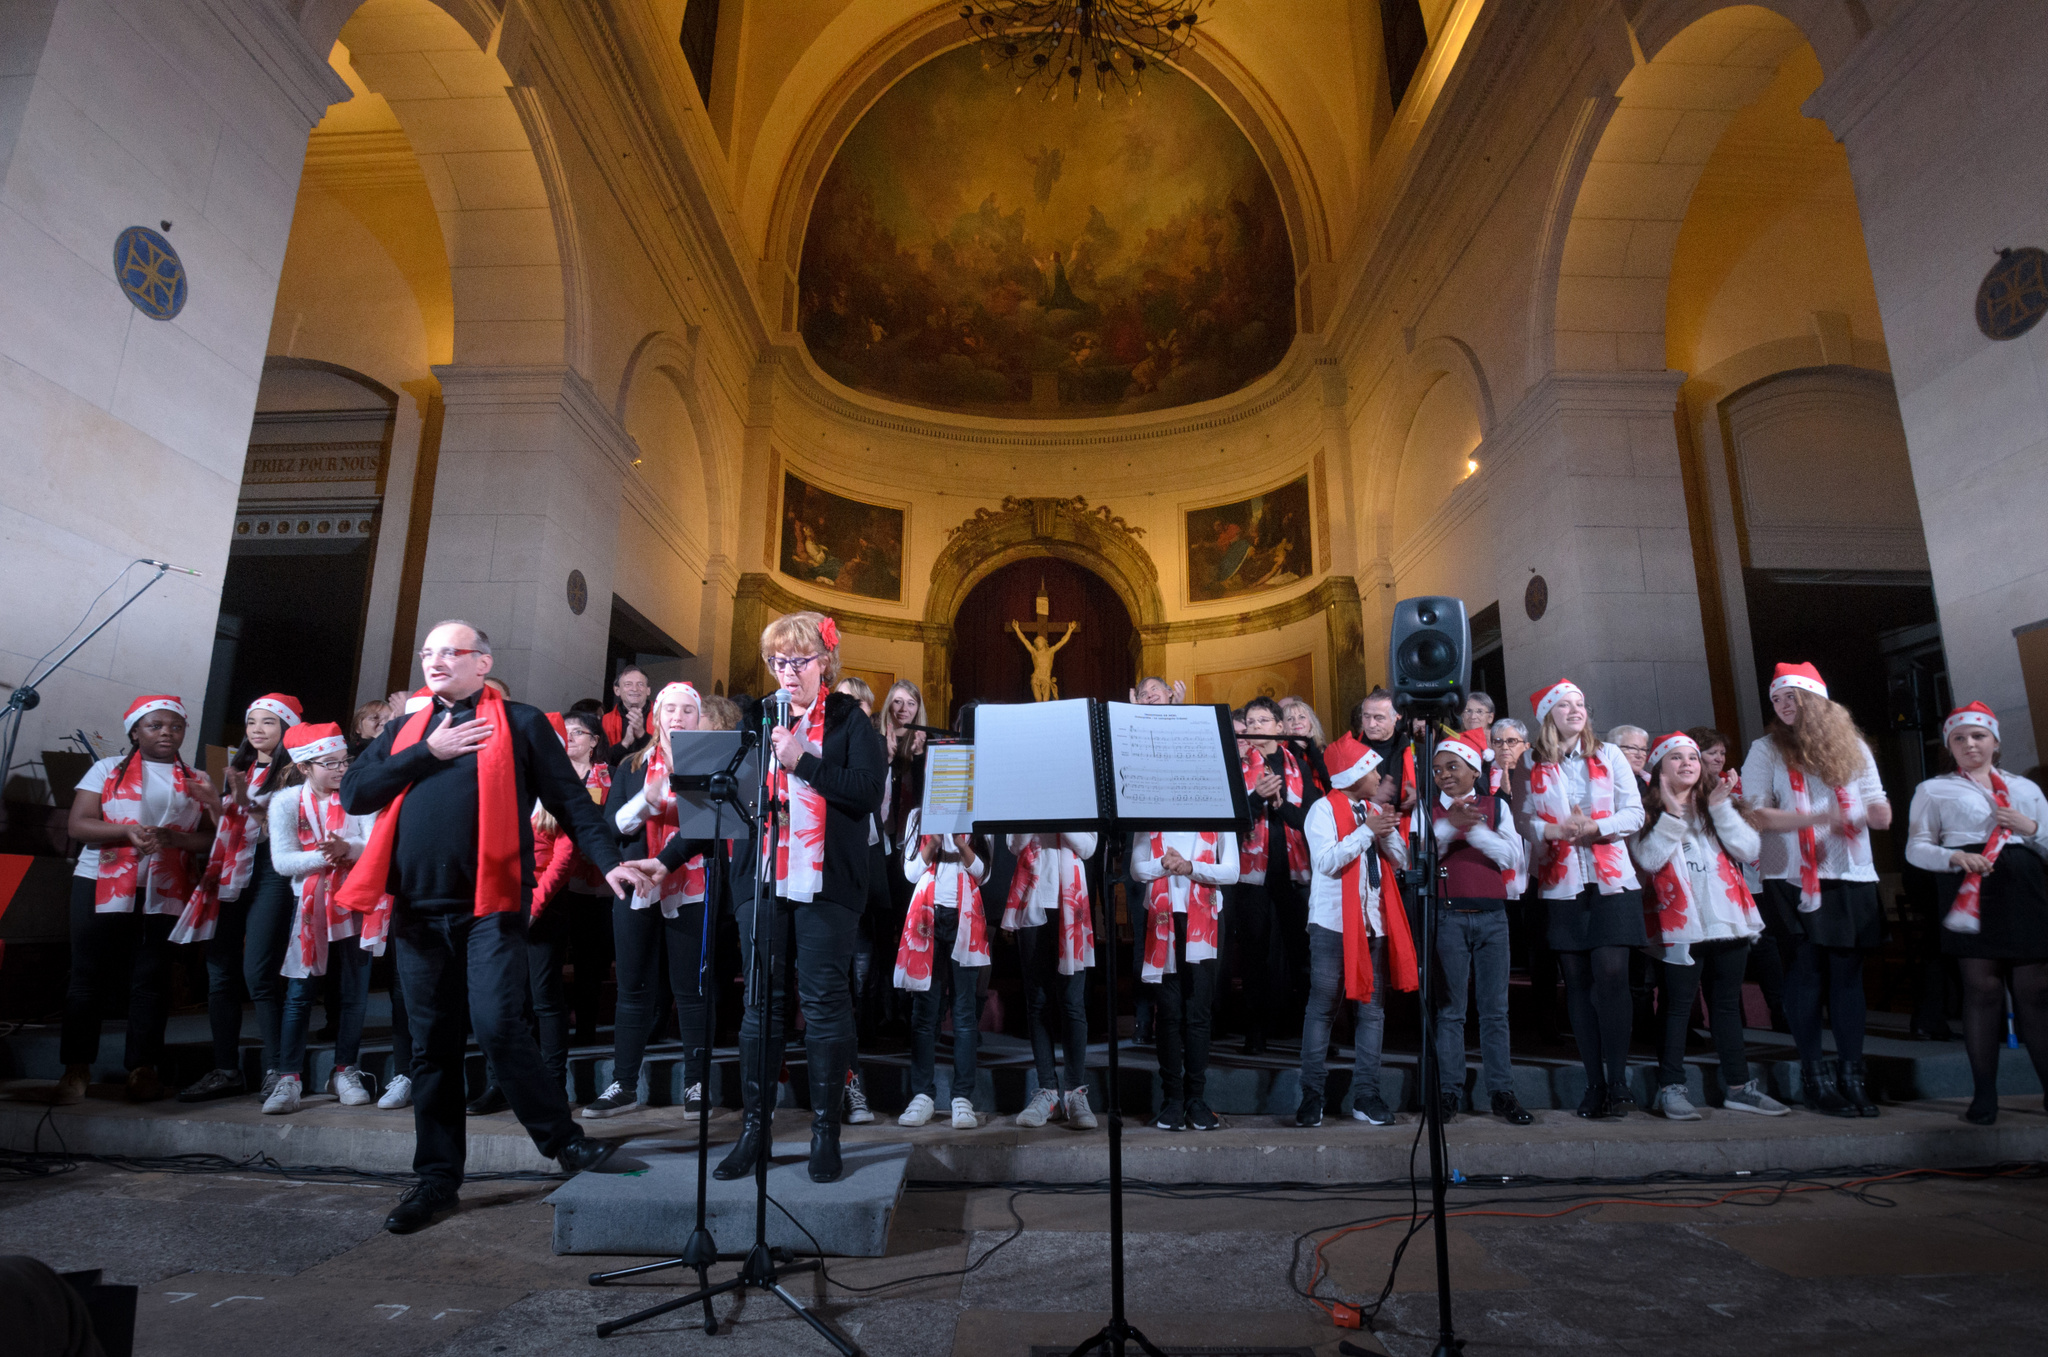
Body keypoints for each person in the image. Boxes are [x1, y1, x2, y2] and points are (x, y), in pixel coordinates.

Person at [339, 621, 650, 1234]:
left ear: (483, 663)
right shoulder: (408, 726)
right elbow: (355, 793)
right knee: (430, 1046)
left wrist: (610, 862)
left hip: (491, 905)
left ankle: (563, 1143)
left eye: (448, 653)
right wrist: (429, 752)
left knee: (499, 1023)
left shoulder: (523, 723)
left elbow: (572, 803)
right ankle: (437, 1177)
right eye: (426, 652)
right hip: (419, 911)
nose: (433, 661)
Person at [712, 611, 884, 1185]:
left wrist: (802, 762)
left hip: (826, 883)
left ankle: (824, 1132)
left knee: (826, 1003)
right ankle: (754, 1131)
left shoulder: (850, 721)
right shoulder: (758, 718)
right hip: (762, 879)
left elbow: (865, 794)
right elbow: (721, 794)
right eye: (778, 662)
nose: (788, 673)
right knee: (760, 1004)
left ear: (824, 663)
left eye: (799, 661)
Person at [1740, 662, 1891, 1118]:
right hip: (1790, 874)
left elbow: (1875, 801)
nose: (1784, 706)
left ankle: (1851, 1074)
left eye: (1792, 697)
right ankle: (1814, 1076)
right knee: (1807, 974)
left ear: (1817, 701)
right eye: (1777, 700)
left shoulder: (1854, 748)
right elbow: (1756, 815)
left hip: (1849, 873)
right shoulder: (1765, 750)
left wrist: (1879, 813)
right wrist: (1821, 819)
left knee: (1846, 976)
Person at [53, 695, 218, 1105]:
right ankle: (76, 1066)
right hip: (100, 879)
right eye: (155, 725)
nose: (166, 732)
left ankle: (143, 1068)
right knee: (85, 976)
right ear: (135, 731)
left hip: (163, 885)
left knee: (151, 979)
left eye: (175, 726)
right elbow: (78, 825)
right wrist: (124, 833)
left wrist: (175, 839)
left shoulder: (196, 778)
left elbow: (210, 839)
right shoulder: (106, 769)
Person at [1630, 731, 1788, 1120]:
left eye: (1693, 758)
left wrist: (1720, 810)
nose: (1687, 763)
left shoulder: (1716, 805)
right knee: (1677, 1008)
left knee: (1726, 1007)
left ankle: (1738, 1087)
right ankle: (1671, 1088)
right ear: (1659, 768)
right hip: (1679, 924)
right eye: (1676, 758)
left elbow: (1750, 850)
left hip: (1727, 919)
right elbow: (1648, 860)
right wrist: (1671, 815)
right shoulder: (1643, 809)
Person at [1905, 702, 2048, 1124]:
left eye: (1979, 736)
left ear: (1996, 743)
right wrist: (1954, 858)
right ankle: (1984, 1093)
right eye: (1960, 738)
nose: (1970, 744)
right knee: (1982, 992)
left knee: (2036, 995)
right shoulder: (1934, 790)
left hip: (2024, 890)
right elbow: (1916, 847)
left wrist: (2033, 829)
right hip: (1970, 889)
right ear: (1950, 746)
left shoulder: (2026, 790)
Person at [1518, 679, 1646, 1118]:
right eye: (1566, 705)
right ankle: (1593, 1082)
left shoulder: (1609, 755)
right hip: (1562, 882)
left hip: (1611, 880)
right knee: (1576, 982)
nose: (1577, 710)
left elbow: (1635, 811)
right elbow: (1524, 820)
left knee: (1611, 974)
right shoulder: (1531, 762)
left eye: (1581, 704)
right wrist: (1553, 831)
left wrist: (1594, 827)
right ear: (1549, 716)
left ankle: (1619, 1079)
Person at [591, 683, 714, 1119]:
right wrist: (646, 801)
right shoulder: (629, 767)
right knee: (633, 989)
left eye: (688, 710)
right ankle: (623, 1084)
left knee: (691, 990)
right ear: (656, 716)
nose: (678, 717)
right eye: (670, 709)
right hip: (636, 886)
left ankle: (697, 1084)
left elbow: (711, 831)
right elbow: (610, 830)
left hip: (690, 887)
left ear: (699, 720)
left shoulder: (709, 768)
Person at [171, 693, 301, 1104]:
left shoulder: (297, 771)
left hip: (270, 873)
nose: (257, 730)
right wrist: (215, 802)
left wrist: (242, 798)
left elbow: (281, 828)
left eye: (268, 722)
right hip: (228, 871)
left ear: (287, 728)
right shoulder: (239, 768)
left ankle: (279, 1070)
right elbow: (227, 826)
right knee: (219, 971)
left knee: (259, 972)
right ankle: (226, 1068)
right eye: (251, 723)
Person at [1296, 735, 1413, 1127]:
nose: (1379, 776)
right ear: (1352, 776)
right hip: (1332, 924)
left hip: (1372, 922)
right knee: (1323, 1007)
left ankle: (1366, 1095)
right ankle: (1312, 1095)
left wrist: (1385, 829)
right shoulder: (1322, 811)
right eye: (1372, 770)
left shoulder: (1372, 808)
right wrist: (1367, 831)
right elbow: (1327, 862)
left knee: (1372, 1012)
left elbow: (1400, 860)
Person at [264, 722, 380, 1114]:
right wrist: (331, 854)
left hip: (355, 902)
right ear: (304, 767)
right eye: (329, 763)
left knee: (353, 994)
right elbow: (283, 862)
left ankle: (345, 1069)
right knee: (300, 994)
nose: (340, 770)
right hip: (309, 906)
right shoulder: (286, 802)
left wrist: (348, 846)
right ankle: (288, 1076)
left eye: (344, 761)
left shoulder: (357, 796)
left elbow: (373, 844)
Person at [1423, 728, 1532, 1124]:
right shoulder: (1427, 808)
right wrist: (1450, 827)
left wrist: (1475, 830)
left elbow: (1511, 859)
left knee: (1495, 1011)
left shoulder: (1494, 806)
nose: (1444, 776)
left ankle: (1501, 1091)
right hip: (1448, 916)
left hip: (1492, 918)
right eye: (1437, 770)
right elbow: (1416, 860)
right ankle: (1449, 1092)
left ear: (1473, 769)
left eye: (1452, 767)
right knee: (1451, 1012)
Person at [1133, 825, 1240, 1131]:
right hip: (1162, 915)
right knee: (1167, 1013)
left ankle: (1195, 1098)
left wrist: (1191, 867)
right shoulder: (1151, 812)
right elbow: (1137, 869)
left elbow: (1232, 871)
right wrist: (1163, 864)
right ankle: (1172, 1099)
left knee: (1198, 1013)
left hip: (1203, 917)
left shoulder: (1217, 811)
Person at [894, 812, 992, 1130]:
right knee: (925, 1012)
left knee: (964, 1015)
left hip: (964, 918)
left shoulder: (979, 815)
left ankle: (962, 1097)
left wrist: (962, 844)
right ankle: (923, 1095)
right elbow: (910, 872)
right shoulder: (918, 816)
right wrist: (934, 840)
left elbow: (983, 874)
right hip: (927, 918)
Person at [1690, 723, 1787, 1032]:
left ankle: (1781, 1012)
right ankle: (1722, 1023)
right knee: (1711, 954)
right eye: (1712, 753)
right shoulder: (1688, 789)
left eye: (1722, 752)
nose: (1719, 758)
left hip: (1752, 878)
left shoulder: (1737, 784)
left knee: (1765, 946)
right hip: (1712, 884)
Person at [1234, 695, 1317, 1052]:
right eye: (1250, 723)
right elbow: (1230, 820)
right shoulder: (1236, 767)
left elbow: (1310, 821)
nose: (1254, 728)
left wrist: (1279, 805)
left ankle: (1310, 1034)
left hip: (1296, 872)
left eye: (1262, 721)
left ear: (1280, 727)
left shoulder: (1298, 765)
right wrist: (1255, 799)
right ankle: (1256, 1032)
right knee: (1254, 955)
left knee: (1302, 954)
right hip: (1252, 875)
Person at [1004, 828, 1098, 1129]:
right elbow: (1013, 843)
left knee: (1072, 1002)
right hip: (1033, 899)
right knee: (1038, 1002)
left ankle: (1074, 1092)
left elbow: (1088, 847)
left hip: (1071, 903)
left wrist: (1061, 818)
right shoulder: (1027, 786)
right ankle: (1047, 1091)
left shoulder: (1079, 791)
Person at [601, 663, 652, 764]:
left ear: (648, 691)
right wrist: (625, 742)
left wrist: (642, 734)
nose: (635, 689)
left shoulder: (662, 717)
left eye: (640, 684)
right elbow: (600, 760)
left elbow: (668, 755)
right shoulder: (604, 721)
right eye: (628, 684)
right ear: (617, 690)